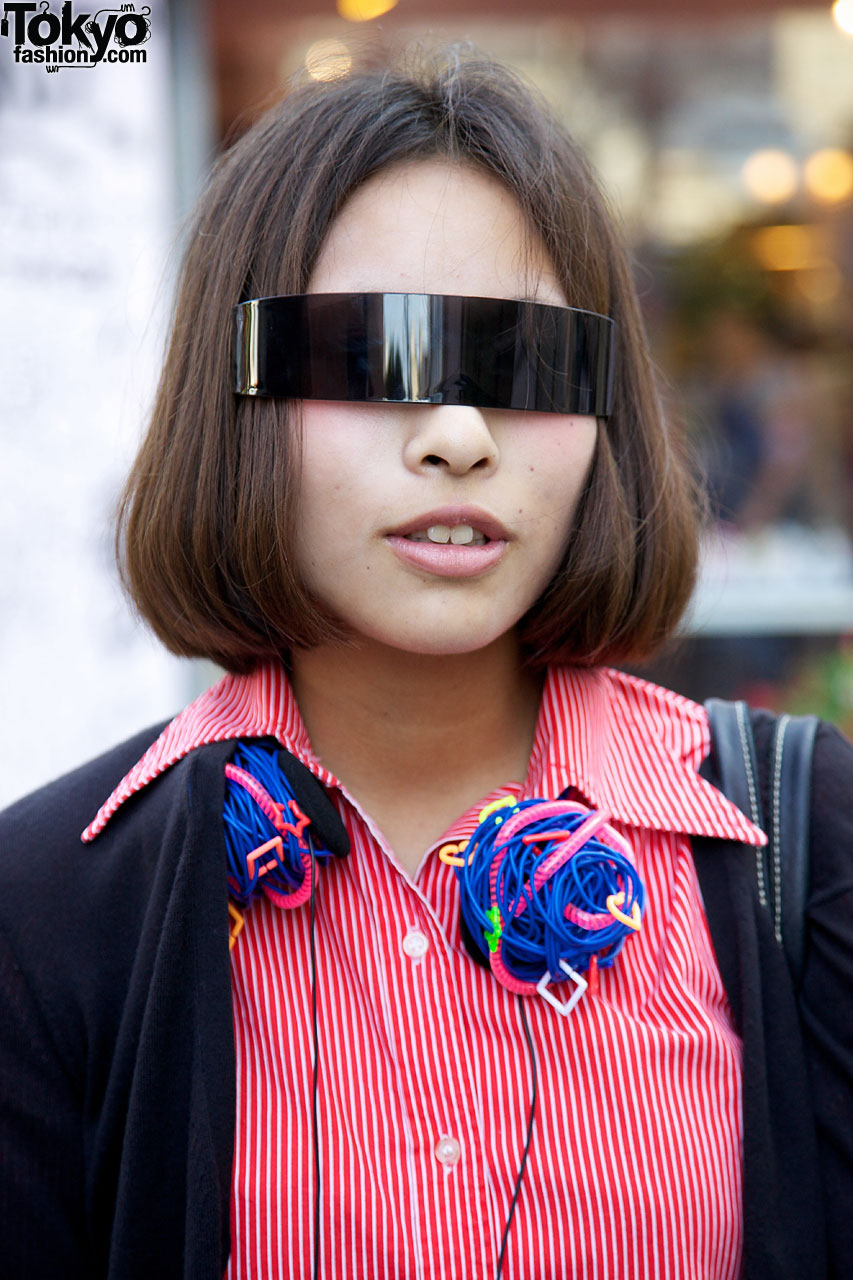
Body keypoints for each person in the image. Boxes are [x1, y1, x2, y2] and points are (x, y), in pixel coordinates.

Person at [1, 47, 850, 1280]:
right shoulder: (49, 912)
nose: (456, 436)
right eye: (368, 354)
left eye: (524, 363)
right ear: (229, 399)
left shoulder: (802, 844)